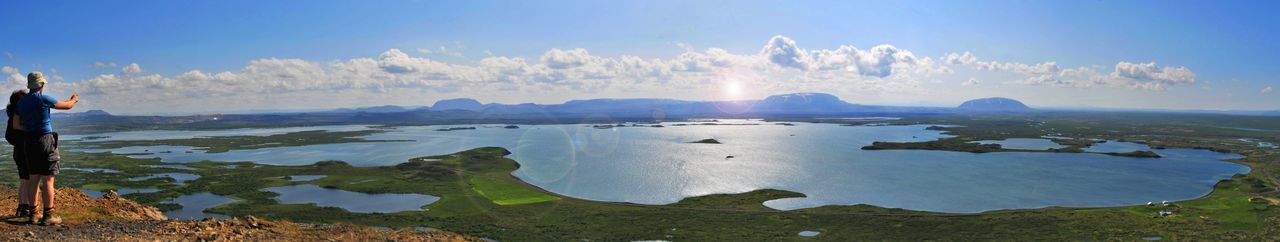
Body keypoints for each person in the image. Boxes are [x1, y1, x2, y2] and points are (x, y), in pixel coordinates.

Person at [17, 72, 78, 225]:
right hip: (45, 140)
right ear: (41, 85)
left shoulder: (22, 102)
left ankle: (33, 215)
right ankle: (48, 215)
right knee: (48, 179)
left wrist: (30, 128)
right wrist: (74, 99)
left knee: (33, 179)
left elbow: (16, 125)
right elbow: (67, 106)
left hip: (29, 142)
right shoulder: (43, 98)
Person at [5, 90, 31, 220]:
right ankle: (27, 208)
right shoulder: (20, 116)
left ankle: (22, 207)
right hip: (26, 151)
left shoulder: (12, 116)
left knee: (24, 180)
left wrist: (19, 143)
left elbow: (8, 136)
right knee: (29, 180)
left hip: (18, 151)